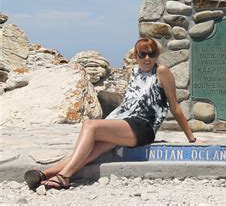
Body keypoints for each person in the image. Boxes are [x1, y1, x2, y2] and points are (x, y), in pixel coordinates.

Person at [24, 38, 197, 190]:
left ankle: (65, 176)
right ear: (135, 56)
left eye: (151, 54)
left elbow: (175, 106)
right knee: (89, 150)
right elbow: (129, 104)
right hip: (124, 122)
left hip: (143, 126)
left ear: (156, 55)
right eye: (142, 54)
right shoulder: (134, 73)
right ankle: (44, 175)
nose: (147, 58)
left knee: (89, 125)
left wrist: (191, 138)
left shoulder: (161, 71)